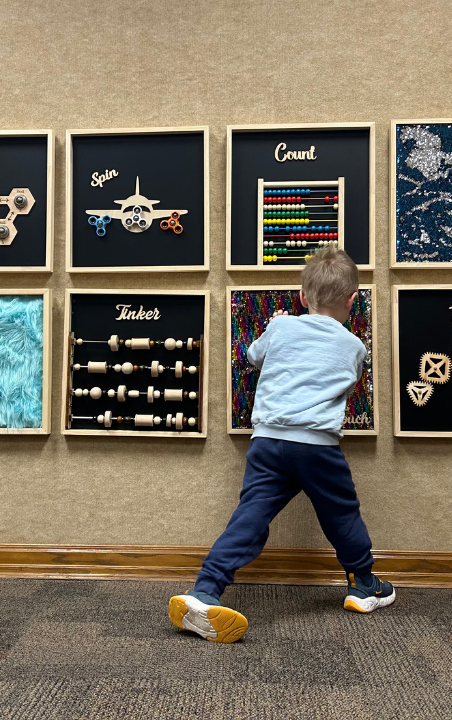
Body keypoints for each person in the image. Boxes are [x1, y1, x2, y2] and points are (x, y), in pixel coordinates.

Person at [168, 246, 394, 643]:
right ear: (352, 301)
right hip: (317, 447)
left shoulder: (282, 325)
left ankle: (204, 589)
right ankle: (364, 584)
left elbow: (253, 357)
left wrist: (275, 325)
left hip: (269, 441)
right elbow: (350, 377)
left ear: (303, 296)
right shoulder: (355, 346)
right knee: (341, 514)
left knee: (250, 515)